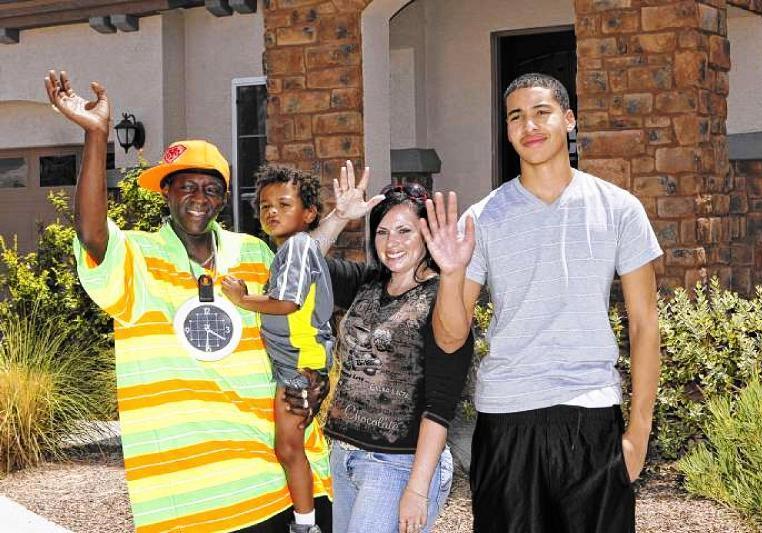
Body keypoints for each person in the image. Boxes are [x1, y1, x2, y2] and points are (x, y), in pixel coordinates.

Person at [45, 70, 333, 533]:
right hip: (187, 500)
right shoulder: (136, 256)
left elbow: (303, 318)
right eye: (187, 187)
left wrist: (316, 378)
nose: (200, 198)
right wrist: (96, 136)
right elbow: (92, 234)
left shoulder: (256, 253)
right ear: (166, 191)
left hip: (276, 482)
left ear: (223, 198)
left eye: (211, 189)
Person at [430, 73, 663, 532]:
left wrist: (638, 434)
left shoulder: (618, 208)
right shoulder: (483, 218)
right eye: (516, 117)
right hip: (507, 419)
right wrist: (451, 272)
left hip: (591, 414)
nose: (529, 126)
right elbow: (450, 335)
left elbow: (645, 324)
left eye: (542, 112)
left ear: (569, 119)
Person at [309, 162, 473, 533]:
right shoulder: (366, 282)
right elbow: (299, 266)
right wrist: (338, 217)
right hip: (342, 454)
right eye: (382, 232)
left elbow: (440, 405)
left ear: (427, 235)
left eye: (404, 231)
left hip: (397, 465)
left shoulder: (439, 299)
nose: (391, 243)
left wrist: (417, 489)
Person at [222, 165, 333, 533]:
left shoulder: (299, 246)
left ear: (309, 213)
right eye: (266, 205)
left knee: (288, 448)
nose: (272, 212)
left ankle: (305, 524)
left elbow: (287, 302)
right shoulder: (290, 250)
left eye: (284, 204)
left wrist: (243, 299)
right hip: (294, 365)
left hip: (299, 367)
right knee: (287, 446)